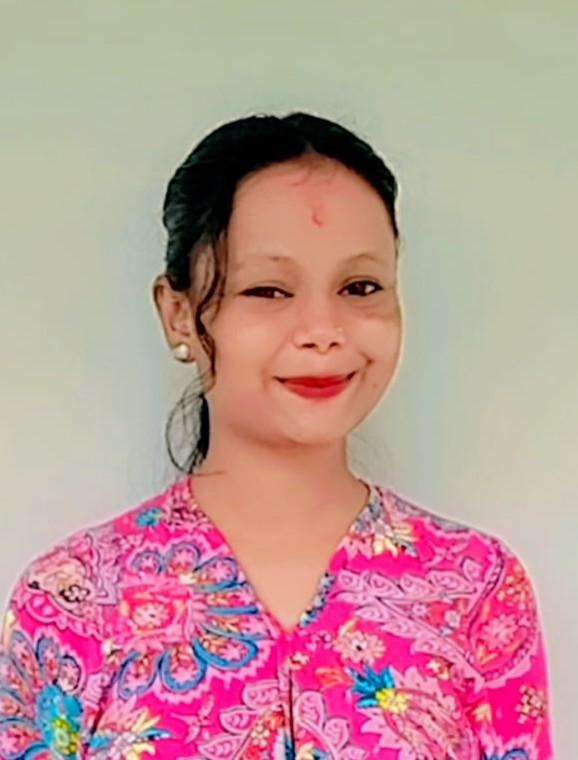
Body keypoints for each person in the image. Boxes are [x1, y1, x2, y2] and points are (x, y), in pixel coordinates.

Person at [0, 113, 553, 760]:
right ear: (178, 313)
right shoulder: (74, 600)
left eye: (360, 287)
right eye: (268, 290)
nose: (322, 330)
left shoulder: (476, 589)